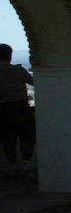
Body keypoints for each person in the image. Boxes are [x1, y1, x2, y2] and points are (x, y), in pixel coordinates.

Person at [0, 43, 35, 175]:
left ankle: (12, 166)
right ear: (9, 56)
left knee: (8, 138)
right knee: (27, 135)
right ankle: (26, 164)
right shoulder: (17, 70)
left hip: (3, 108)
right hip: (21, 107)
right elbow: (33, 81)